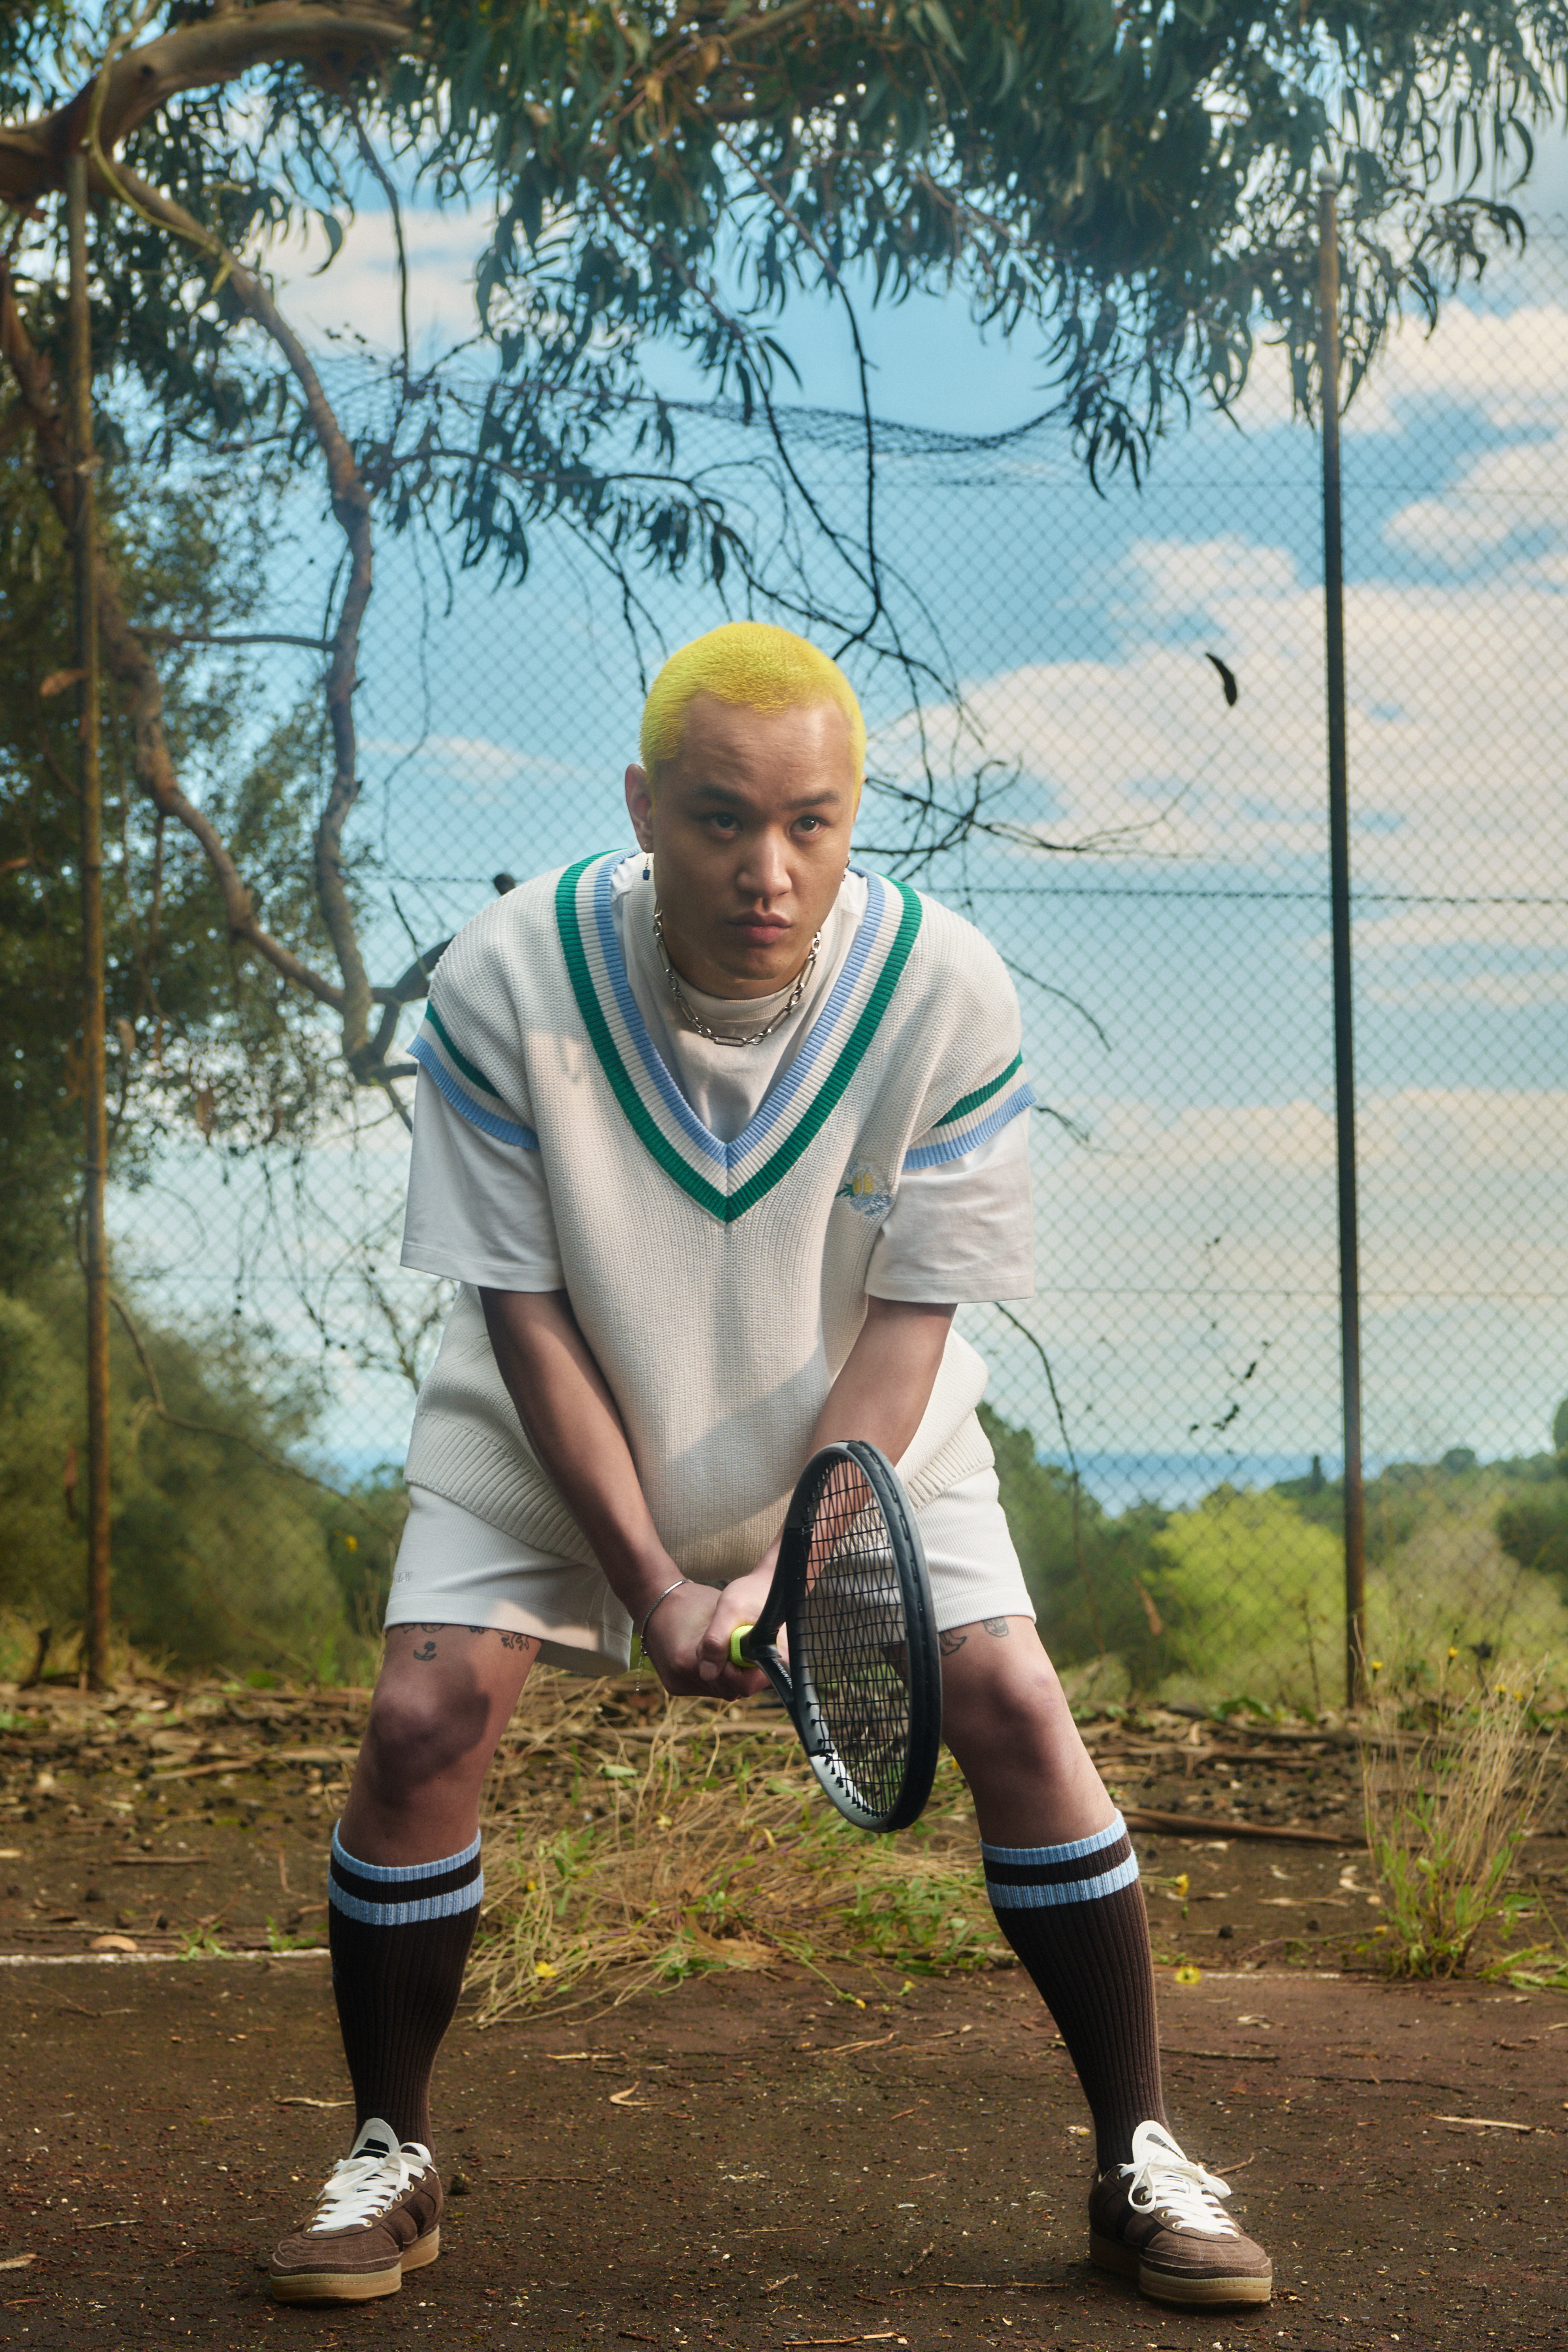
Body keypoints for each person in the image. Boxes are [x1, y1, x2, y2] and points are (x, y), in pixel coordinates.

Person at [267, 621, 1273, 2311]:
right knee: (424, 1713)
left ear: (853, 815)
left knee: (1018, 1705)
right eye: (723, 819)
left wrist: (794, 1562)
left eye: (812, 823)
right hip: (557, 1417)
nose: (769, 870)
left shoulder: (947, 992)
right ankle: (390, 2153)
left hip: (856, 1437)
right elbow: (523, 1315)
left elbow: (909, 1332)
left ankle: (1142, 2156)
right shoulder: (505, 978)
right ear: (643, 806)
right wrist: (656, 1580)